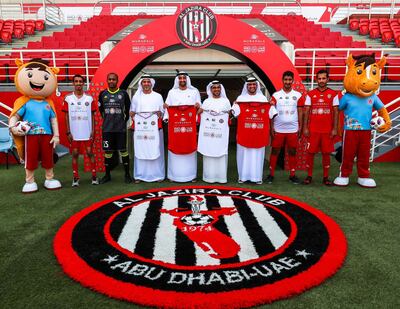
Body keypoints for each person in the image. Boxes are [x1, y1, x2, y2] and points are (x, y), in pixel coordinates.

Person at [232, 77, 277, 184]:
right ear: (246, 86)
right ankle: (242, 177)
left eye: (254, 85)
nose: (252, 86)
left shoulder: (263, 99)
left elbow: (272, 114)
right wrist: (235, 104)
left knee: (257, 156)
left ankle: (257, 178)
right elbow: (233, 113)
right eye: (249, 85)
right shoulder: (240, 99)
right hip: (244, 134)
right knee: (243, 155)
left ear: (257, 86)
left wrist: (270, 105)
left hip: (259, 135)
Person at [267, 71, 304, 184]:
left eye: (289, 80)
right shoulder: (276, 95)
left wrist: (301, 127)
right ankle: (271, 174)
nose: (287, 82)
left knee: (292, 152)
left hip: (293, 129)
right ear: (282, 80)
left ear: (292, 81)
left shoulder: (298, 95)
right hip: (278, 129)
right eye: (285, 80)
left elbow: (301, 112)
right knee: (275, 151)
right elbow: (271, 112)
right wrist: (271, 127)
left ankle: (292, 175)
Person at [303, 70, 339, 186]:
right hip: (313, 129)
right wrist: (305, 127)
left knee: (326, 153)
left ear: (327, 79)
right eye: (319, 78)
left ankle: (325, 177)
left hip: (327, 130)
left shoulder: (333, 94)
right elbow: (307, 111)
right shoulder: (310, 94)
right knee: (310, 153)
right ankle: (309, 176)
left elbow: (336, 112)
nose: (321, 81)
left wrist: (334, 129)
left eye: (324, 78)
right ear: (316, 80)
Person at [164, 71, 201, 182]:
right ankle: (173, 176)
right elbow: (167, 109)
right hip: (175, 128)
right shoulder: (171, 92)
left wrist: (198, 107)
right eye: (180, 78)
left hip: (189, 129)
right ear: (177, 80)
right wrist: (166, 107)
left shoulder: (194, 92)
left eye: (184, 78)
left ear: (187, 80)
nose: (182, 80)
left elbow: (199, 109)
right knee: (175, 149)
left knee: (189, 148)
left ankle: (191, 176)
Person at [62, 74, 98, 186]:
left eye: (80, 81)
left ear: (83, 83)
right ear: (73, 83)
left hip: (87, 131)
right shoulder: (68, 98)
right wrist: (68, 131)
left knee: (89, 152)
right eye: (76, 81)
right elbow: (66, 116)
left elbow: (92, 115)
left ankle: (94, 176)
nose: (78, 83)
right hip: (74, 132)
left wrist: (93, 129)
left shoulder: (89, 98)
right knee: (75, 154)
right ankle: (75, 177)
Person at [130, 74, 165, 183]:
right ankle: (140, 175)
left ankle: (157, 175)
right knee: (141, 149)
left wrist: (160, 113)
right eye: (144, 82)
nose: (146, 84)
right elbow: (132, 112)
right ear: (141, 84)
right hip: (141, 131)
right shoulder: (136, 97)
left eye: (148, 82)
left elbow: (163, 112)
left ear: (151, 83)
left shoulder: (158, 96)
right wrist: (132, 113)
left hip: (155, 129)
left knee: (156, 149)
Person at [98, 72, 132, 184]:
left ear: (117, 81)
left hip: (120, 129)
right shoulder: (102, 94)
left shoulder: (123, 94)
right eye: (110, 79)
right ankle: (107, 175)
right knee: (108, 152)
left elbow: (127, 110)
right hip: (107, 129)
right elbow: (101, 110)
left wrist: (122, 122)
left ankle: (127, 175)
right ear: (107, 80)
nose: (111, 81)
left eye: (113, 79)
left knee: (123, 151)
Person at [198, 80, 231, 183]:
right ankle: (208, 177)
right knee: (209, 154)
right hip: (209, 137)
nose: (216, 89)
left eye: (218, 87)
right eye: (214, 88)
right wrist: (199, 110)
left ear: (221, 89)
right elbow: (199, 114)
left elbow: (229, 115)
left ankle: (221, 178)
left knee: (221, 155)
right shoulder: (207, 102)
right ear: (210, 89)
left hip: (221, 135)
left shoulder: (226, 101)